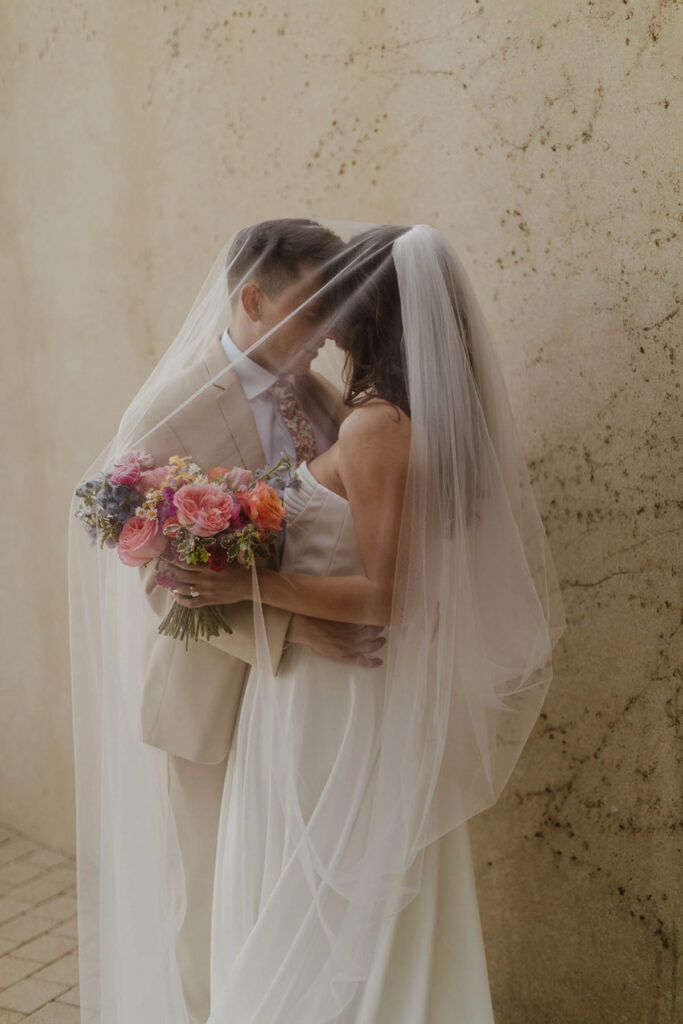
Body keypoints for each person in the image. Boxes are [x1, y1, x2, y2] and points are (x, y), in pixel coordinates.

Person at [68, 220, 565, 1024]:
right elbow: (165, 586)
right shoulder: (173, 407)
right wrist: (290, 628)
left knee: (310, 907)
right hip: (217, 702)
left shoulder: (332, 400)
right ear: (252, 299)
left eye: (338, 309)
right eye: (310, 309)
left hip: (321, 706)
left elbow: (373, 546)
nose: (325, 329)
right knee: (216, 912)